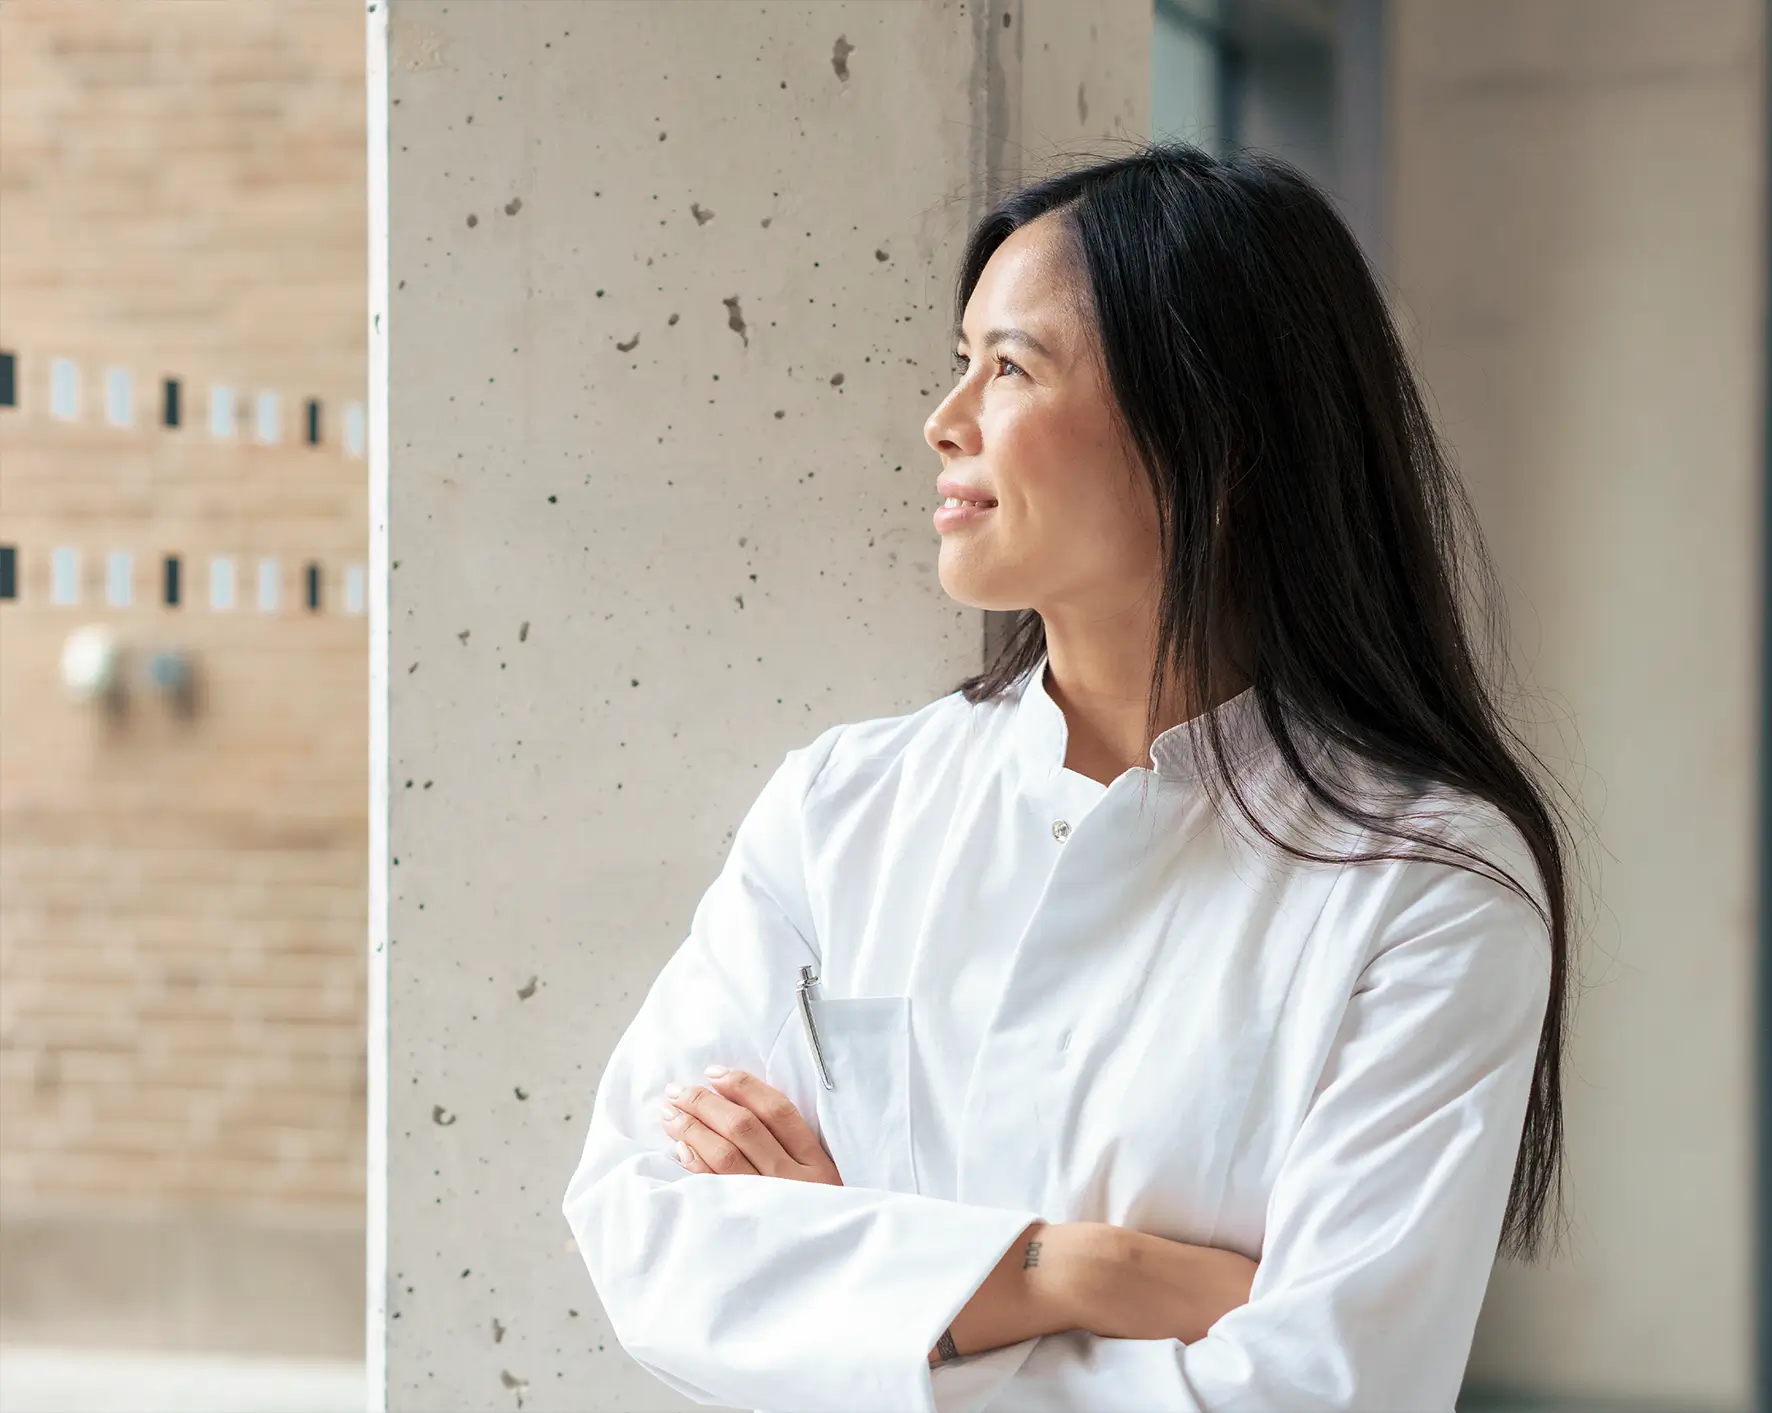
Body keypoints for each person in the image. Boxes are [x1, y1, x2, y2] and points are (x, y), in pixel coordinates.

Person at [562, 142, 1575, 1412]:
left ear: (1209, 431)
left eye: (1010, 365)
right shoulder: (842, 806)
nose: (943, 418)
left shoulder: (1428, 885)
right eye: (960, 359)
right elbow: (641, 1225)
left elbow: (1324, 1388)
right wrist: (1071, 1271)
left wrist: (880, 1294)